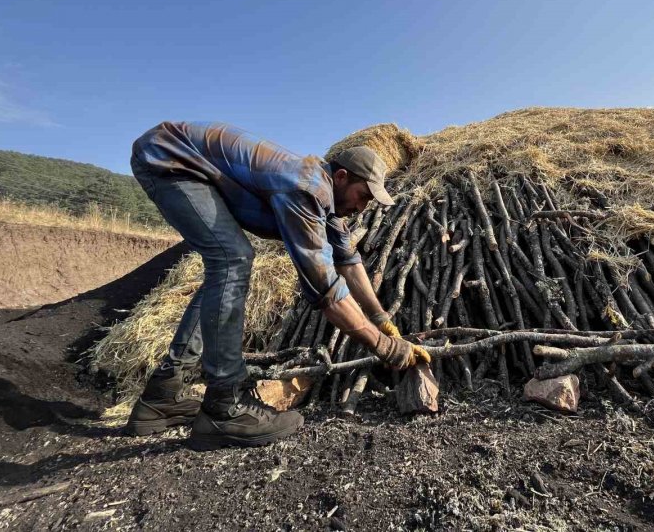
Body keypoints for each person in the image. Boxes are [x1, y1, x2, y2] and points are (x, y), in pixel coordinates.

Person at [125, 121, 429, 450]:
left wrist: (382, 319)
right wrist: (385, 349)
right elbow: (325, 288)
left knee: (227, 264)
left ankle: (162, 396)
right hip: (170, 156)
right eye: (363, 196)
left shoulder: (329, 203)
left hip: (182, 157)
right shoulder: (306, 187)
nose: (362, 207)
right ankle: (224, 408)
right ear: (341, 177)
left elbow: (349, 263)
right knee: (232, 260)